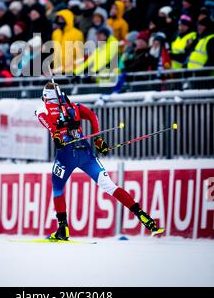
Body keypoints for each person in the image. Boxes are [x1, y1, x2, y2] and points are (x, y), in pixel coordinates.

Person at [36, 81, 162, 240]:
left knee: (57, 188)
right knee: (109, 185)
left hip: (66, 154)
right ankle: (143, 216)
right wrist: (98, 139)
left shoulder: (43, 108)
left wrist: (56, 134)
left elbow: (43, 118)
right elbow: (92, 115)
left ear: (45, 97)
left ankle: (63, 228)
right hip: (85, 152)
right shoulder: (74, 106)